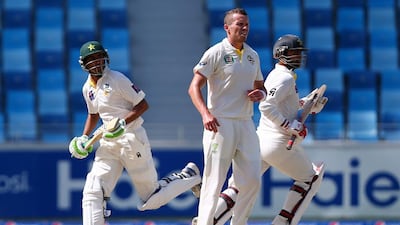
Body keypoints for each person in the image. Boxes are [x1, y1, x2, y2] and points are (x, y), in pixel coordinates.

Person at [68, 40, 202, 225]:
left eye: (99, 57)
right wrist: (84, 137)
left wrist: (122, 124)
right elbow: (93, 114)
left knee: (151, 198)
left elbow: (142, 105)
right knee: (92, 190)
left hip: (131, 139)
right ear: (84, 64)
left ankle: (189, 175)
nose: (97, 62)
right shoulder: (87, 88)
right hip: (108, 144)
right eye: (92, 59)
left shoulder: (117, 79)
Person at [205, 34, 328, 225]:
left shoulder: (278, 75)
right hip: (277, 143)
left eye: (299, 53)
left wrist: (307, 106)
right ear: (281, 54)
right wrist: (289, 126)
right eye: (294, 52)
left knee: (239, 187)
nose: (299, 56)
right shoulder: (285, 78)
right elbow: (266, 106)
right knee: (310, 178)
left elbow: (282, 106)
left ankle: (208, 220)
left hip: (260, 141)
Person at [188, 8, 267, 225]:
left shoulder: (253, 55)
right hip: (220, 123)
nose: (244, 29)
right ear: (227, 27)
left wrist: (260, 94)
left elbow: (261, 87)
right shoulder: (216, 52)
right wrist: (205, 114)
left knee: (252, 180)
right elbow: (194, 87)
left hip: (245, 122)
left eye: (246, 25)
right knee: (214, 181)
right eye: (239, 24)